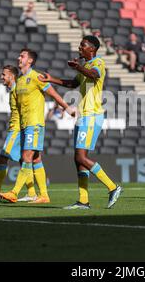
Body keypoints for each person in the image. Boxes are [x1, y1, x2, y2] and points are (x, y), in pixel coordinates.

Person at [39, 36, 123, 210]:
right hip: (83, 116)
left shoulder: (97, 63)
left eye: (82, 45)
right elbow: (72, 83)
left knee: (81, 157)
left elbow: (94, 75)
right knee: (78, 160)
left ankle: (113, 187)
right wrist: (51, 79)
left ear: (91, 49)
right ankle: (83, 201)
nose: (79, 47)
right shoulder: (84, 66)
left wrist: (78, 66)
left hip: (92, 116)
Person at [0, 49, 76, 204]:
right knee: (35, 159)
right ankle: (44, 195)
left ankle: (14, 192)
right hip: (24, 125)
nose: (19, 58)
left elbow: (53, 94)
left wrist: (67, 108)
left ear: (30, 61)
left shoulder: (37, 77)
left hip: (35, 124)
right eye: (19, 55)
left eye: (22, 56)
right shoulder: (19, 81)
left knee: (26, 157)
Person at [0, 65, 38, 202]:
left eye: (4, 75)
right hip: (17, 128)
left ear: (12, 76)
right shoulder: (13, 89)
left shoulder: (17, 90)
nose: (1, 77)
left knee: (2, 158)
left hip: (17, 129)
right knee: (22, 160)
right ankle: (31, 193)